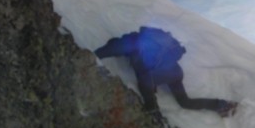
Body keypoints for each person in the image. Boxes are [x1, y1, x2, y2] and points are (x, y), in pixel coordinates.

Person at [95, 26, 237, 117]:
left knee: (144, 80)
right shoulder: (152, 39)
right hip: (176, 72)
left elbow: (112, 49)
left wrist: (91, 57)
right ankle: (221, 105)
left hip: (157, 75)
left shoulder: (130, 41)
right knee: (185, 101)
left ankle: (152, 110)